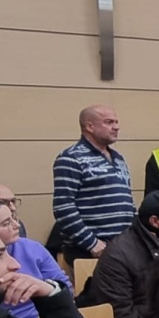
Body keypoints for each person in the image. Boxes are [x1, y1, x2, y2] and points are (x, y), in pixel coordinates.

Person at [52, 105, 136, 264]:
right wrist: (91, 243)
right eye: (109, 122)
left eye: (116, 122)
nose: (116, 127)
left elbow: (127, 202)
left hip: (123, 246)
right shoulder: (70, 158)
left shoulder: (118, 158)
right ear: (90, 126)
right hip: (91, 249)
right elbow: (63, 206)